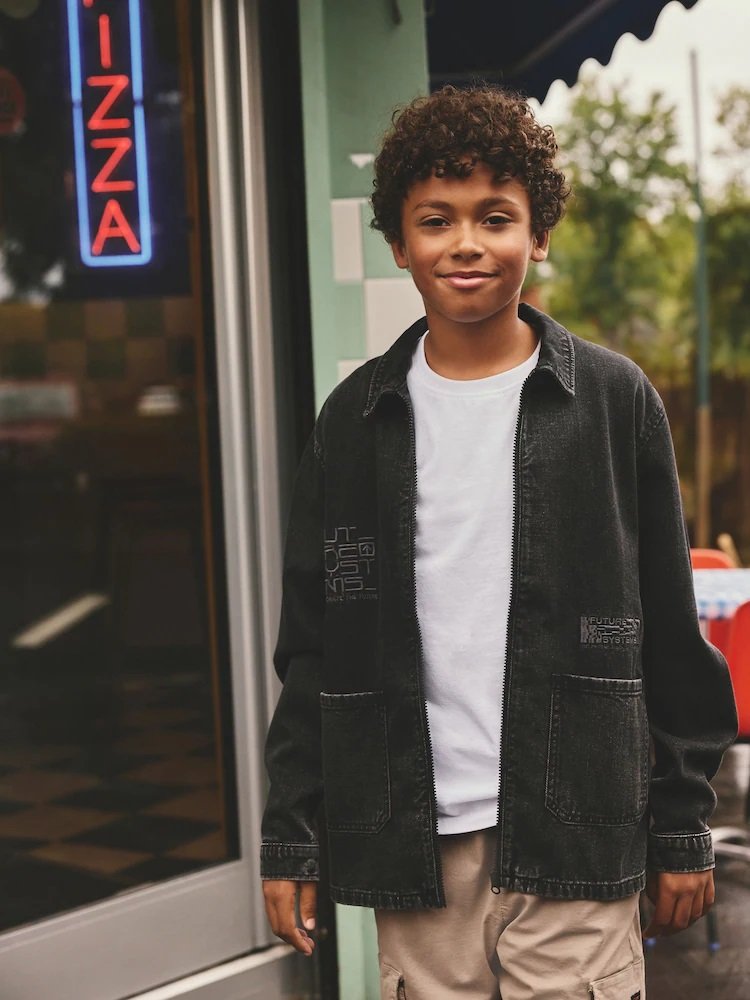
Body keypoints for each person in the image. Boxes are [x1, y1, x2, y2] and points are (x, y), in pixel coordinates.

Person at [260, 85, 737, 1000]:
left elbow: (671, 633)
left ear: (539, 234)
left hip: (579, 826)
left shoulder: (614, 402)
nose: (467, 243)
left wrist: (682, 823)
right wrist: (293, 835)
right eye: (436, 220)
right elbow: (316, 649)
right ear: (399, 245)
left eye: (496, 217)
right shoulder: (353, 422)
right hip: (415, 839)